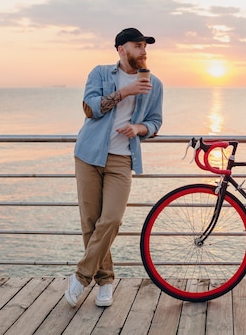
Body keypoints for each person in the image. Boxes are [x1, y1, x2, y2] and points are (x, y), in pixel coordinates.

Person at [65, 27, 163, 307]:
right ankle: (105, 282)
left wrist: (139, 127)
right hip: (88, 155)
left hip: (122, 159)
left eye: (145, 46)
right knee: (90, 223)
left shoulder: (154, 82)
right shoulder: (100, 73)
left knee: (111, 219)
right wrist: (124, 92)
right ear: (121, 49)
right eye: (138, 45)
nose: (144, 51)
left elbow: (156, 122)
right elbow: (89, 108)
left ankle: (81, 277)